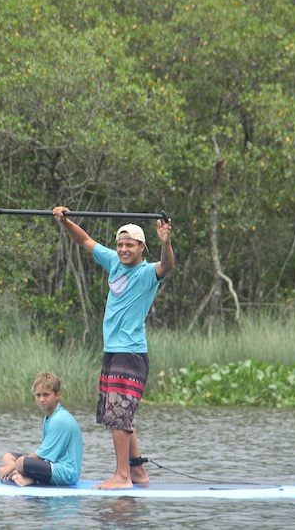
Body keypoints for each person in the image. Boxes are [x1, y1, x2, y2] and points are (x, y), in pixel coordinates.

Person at [52, 207, 173, 490]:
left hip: (130, 353)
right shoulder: (114, 262)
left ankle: (122, 477)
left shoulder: (147, 273)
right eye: (120, 245)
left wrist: (166, 241)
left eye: (129, 245)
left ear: (141, 247)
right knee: (119, 413)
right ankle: (137, 472)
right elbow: (84, 240)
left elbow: (167, 265)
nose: (123, 249)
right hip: (113, 352)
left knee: (119, 415)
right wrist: (65, 221)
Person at [0, 371, 83, 486]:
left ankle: (29, 478)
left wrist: (12, 467)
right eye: (38, 395)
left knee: (20, 463)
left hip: (66, 473)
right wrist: (15, 465)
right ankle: (23, 475)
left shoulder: (60, 419)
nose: (41, 399)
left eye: (46, 395)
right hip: (52, 465)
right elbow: (44, 457)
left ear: (57, 395)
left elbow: (40, 456)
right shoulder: (49, 418)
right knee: (8, 457)